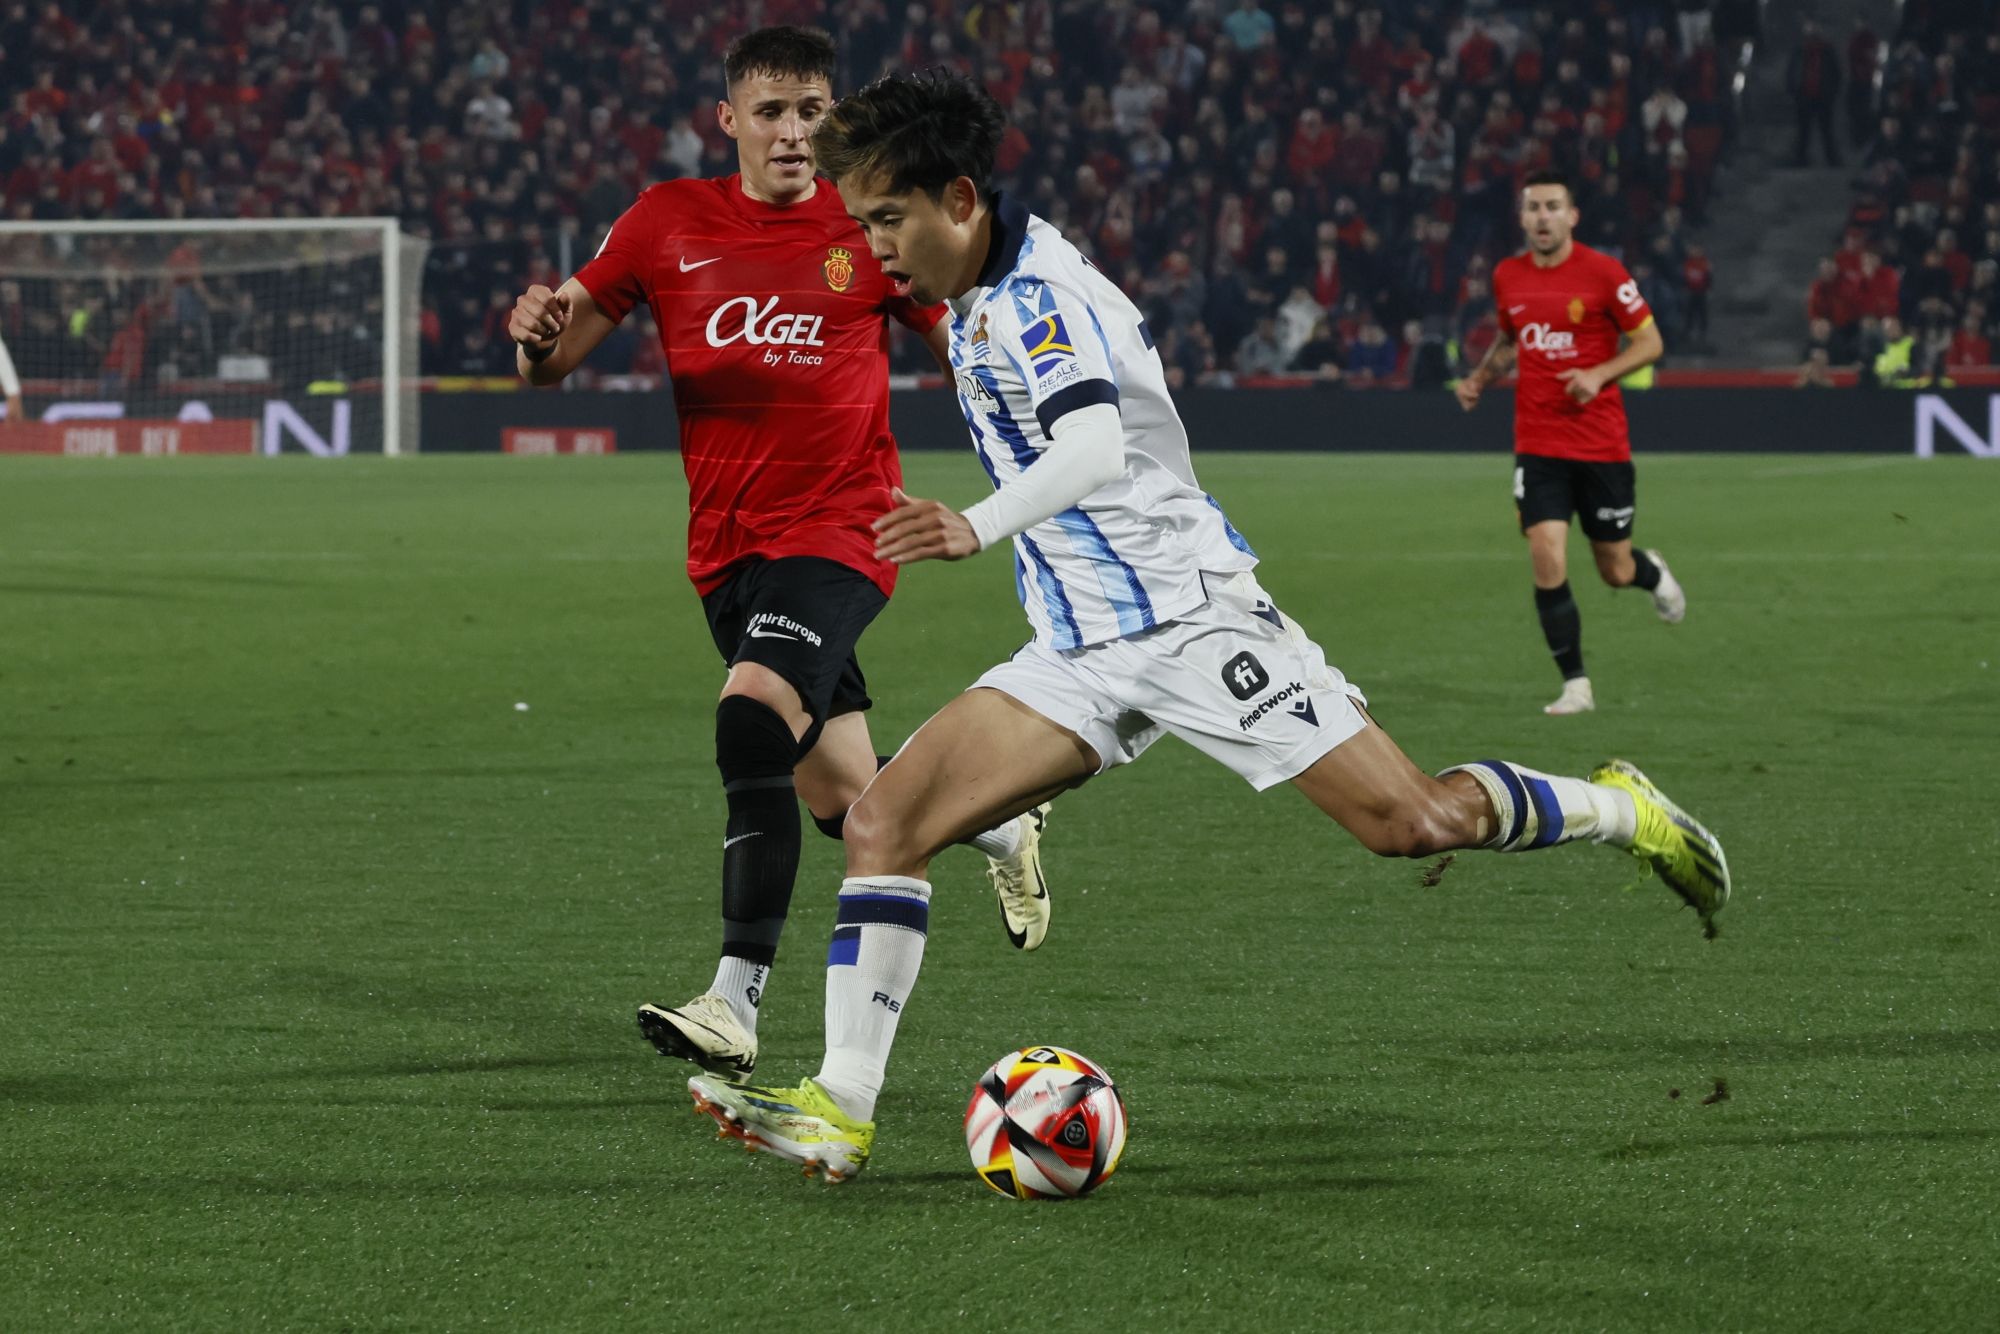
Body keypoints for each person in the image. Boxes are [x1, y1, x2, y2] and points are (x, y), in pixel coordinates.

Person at [683, 71, 1732, 1184]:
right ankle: (840, 1106)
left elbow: (1091, 451)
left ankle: (1621, 810)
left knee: (1411, 822)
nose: (877, 247)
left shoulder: (1039, 298)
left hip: (1192, 620)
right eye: (863, 224)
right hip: (1078, 647)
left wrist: (973, 525)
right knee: (885, 822)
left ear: (958, 199)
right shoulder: (982, 289)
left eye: (888, 220)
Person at [504, 28, 1051, 1085]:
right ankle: (998, 825)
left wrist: (1036, 462)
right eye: (773, 111)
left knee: (750, 714)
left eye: (811, 110)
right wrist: (533, 333)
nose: (795, 132)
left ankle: (735, 998)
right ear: (730, 121)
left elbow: (969, 344)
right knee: (849, 797)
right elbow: (553, 355)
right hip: (725, 550)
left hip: (844, 529)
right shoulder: (665, 222)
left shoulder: (869, 225)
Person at [1455, 171, 1684, 717]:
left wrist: (1600, 374)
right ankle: (1576, 684)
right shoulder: (1509, 276)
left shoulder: (1604, 273)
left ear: (1572, 216)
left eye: (1552, 206)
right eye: (1532, 207)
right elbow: (1511, 340)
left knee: (1615, 568)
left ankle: (1651, 572)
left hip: (1602, 445)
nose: (1541, 217)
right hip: (1538, 443)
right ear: (1522, 216)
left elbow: (1651, 342)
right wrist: (1480, 379)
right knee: (1546, 551)